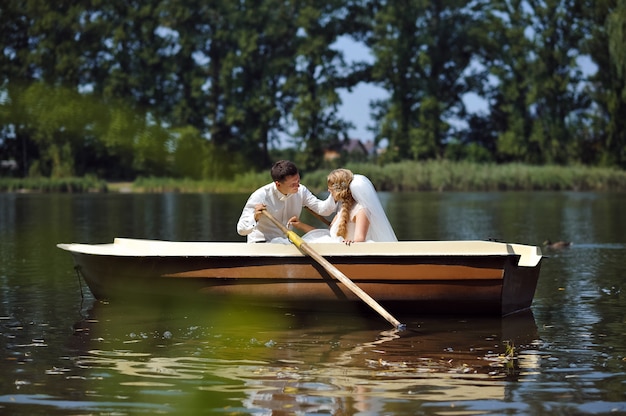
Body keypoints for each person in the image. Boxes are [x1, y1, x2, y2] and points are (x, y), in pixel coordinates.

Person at [237, 160, 337, 243]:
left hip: (286, 244)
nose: (297, 186)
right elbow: (241, 230)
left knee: (324, 239)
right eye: (293, 184)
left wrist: (334, 193)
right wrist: (255, 217)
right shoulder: (261, 196)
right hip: (262, 244)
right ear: (278, 184)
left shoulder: (301, 190)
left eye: (298, 181)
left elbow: (323, 210)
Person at [287, 168, 397, 243]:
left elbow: (360, 240)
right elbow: (329, 236)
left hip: (348, 254)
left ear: (339, 189)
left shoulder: (361, 210)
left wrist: (352, 242)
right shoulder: (342, 207)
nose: (328, 190)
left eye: (330, 187)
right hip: (334, 250)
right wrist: (300, 225)